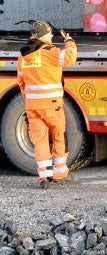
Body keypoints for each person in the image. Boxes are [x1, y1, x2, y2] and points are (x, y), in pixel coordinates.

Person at [16, 21, 78, 187]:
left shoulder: (23, 55)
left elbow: (21, 82)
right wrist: (69, 41)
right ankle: (60, 174)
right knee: (58, 136)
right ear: (43, 34)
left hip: (32, 106)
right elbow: (71, 57)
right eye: (50, 33)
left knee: (40, 141)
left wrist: (30, 99)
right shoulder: (50, 52)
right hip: (52, 105)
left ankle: (44, 177)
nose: (52, 36)